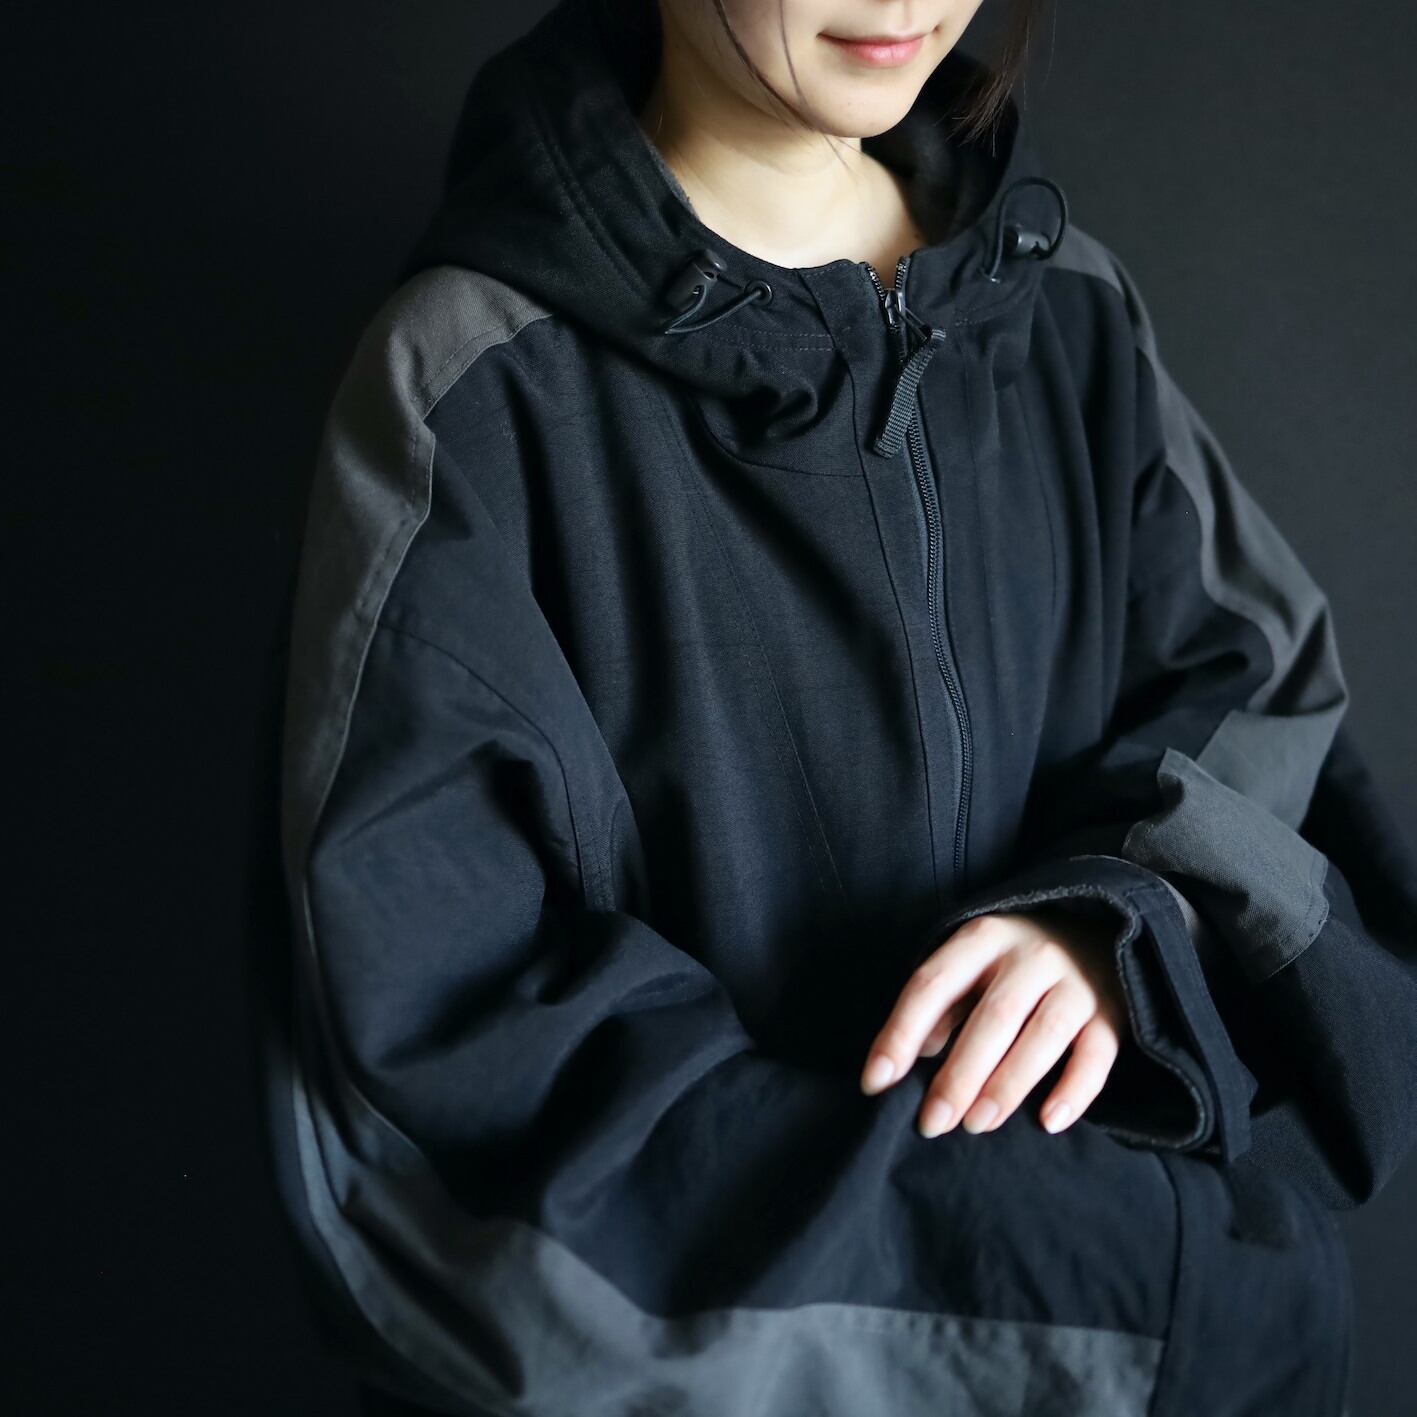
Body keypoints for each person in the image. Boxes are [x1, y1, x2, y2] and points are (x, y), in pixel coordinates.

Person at [260, 0, 1417, 1412]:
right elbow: (443, 1064)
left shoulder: (1068, 317)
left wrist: (1122, 917)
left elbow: (1258, 712)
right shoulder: (472, 388)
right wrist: (1125, 1299)